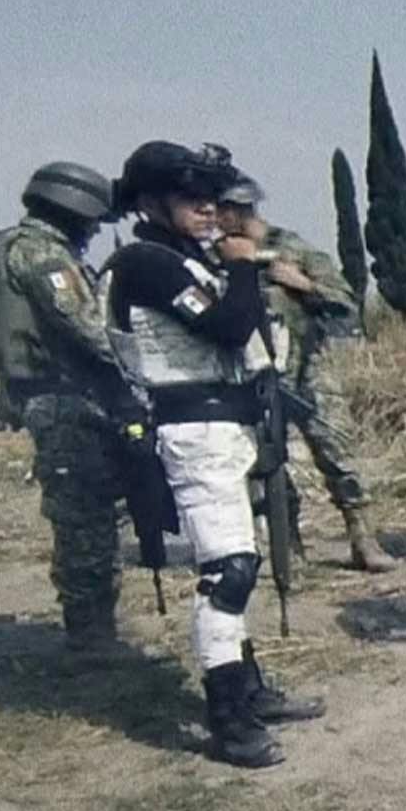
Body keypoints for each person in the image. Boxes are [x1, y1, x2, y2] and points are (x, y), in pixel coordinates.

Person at [103, 141, 322, 768]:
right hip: (192, 428)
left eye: (210, 197)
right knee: (228, 571)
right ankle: (227, 715)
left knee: (241, 558)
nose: (207, 208)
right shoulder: (147, 263)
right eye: (189, 197)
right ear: (150, 202)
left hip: (224, 425)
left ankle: (248, 689)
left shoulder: (182, 258)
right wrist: (246, 267)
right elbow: (229, 327)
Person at [0, 162, 129, 649]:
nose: (92, 231)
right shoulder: (43, 256)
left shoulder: (5, 246)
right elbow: (87, 327)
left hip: (40, 393)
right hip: (63, 398)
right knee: (84, 515)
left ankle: (89, 628)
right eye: (91, 221)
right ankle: (90, 636)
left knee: (81, 510)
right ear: (72, 211)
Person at [216, 177, 396, 572]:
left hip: (309, 369)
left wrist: (301, 283)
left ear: (240, 209)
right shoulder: (220, 257)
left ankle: (362, 538)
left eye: (222, 211)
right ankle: (288, 544)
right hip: (256, 374)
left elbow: (344, 302)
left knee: (336, 451)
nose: (216, 220)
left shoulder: (292, 247)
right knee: (266, 461)